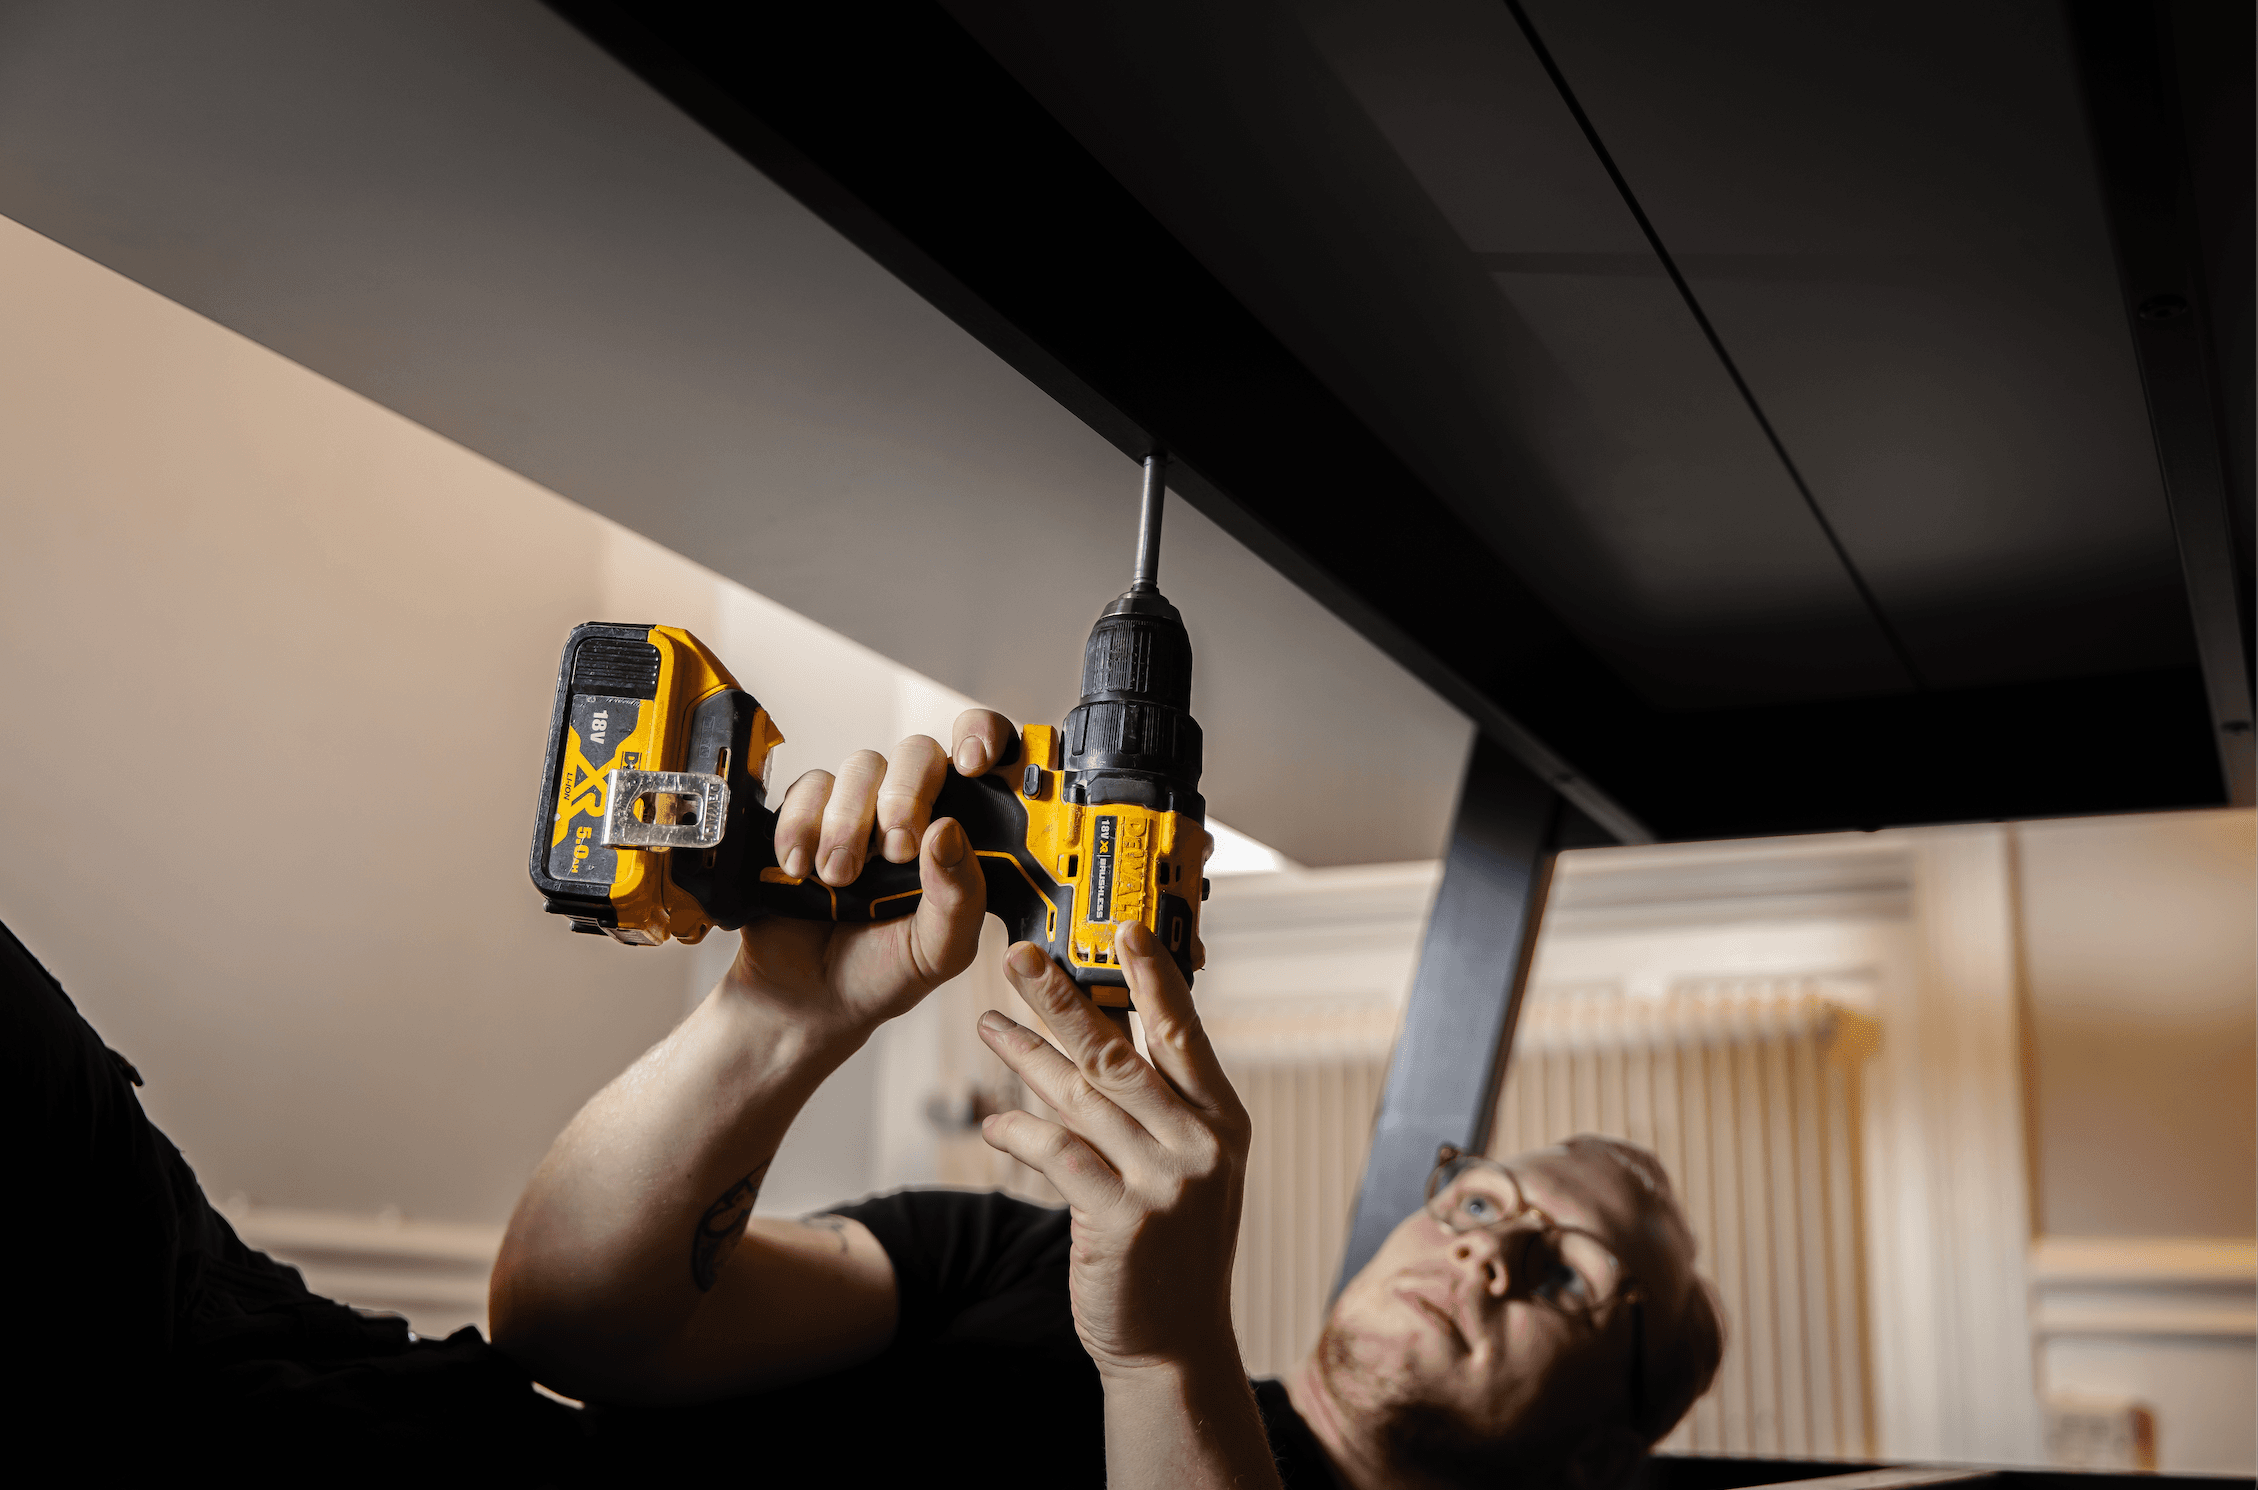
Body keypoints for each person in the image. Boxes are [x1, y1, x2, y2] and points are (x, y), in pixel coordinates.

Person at [491, 710, 1725, 1488]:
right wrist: (774, 1020)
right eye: (1475, 1198)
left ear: (1603, 1459)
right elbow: (563, 1327)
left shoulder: (1148, 1332)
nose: (1488, 1252)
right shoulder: (1022, 1261)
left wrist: (1156, 1361)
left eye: (1565, 1266)